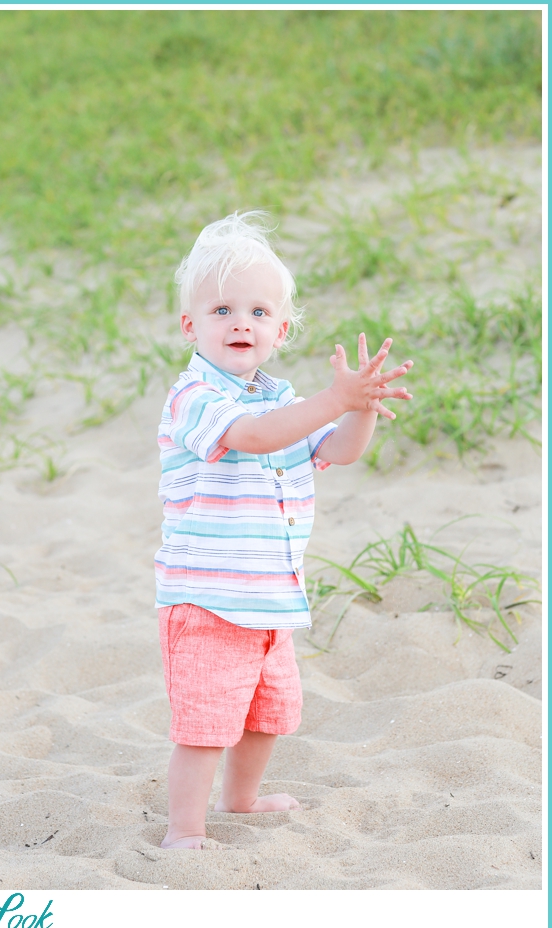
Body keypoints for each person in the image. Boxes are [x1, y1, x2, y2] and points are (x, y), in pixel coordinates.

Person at [155, 211, 413, 849]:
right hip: (209, 597)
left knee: (267, 714)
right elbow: (253, 438)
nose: (240, 322)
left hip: (271, 598)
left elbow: (341, 450)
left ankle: (239, 801)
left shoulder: (284, 400)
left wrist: (361, 407)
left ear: (281, 329)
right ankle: (184, 829)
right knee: (206, 723)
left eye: (258, 311)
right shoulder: (194, 397)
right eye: (220, 310)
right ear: (191, 326)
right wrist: (331, 399)